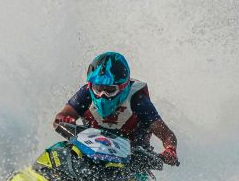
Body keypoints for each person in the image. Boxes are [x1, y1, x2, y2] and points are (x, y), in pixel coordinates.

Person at [52, 51, 180, 166]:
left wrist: (170, 150)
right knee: (60, 151)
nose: (102, 95)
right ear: (91, 85)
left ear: (123, 87)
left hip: (132, 161)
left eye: (110, 90)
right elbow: (63, 115)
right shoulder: (86, 93)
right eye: (98, 88)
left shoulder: (139, 101)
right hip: (90, 152)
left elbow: (167, 135)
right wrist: (64, 119)